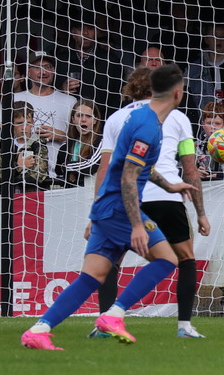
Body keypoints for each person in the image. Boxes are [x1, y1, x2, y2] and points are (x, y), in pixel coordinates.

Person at [20, 64, 197, 351]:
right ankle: (114, 315)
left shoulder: (138, 118)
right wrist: (137, 225)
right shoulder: (149, 126)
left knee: (92, 277)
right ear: (178, 93)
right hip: (119, 206)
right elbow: (128, 176)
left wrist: (169, 186)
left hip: (105, 205)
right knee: (168, 260)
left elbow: (137, 167)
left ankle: (38, 330)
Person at [88, 65, 210, 339]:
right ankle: (184, 327)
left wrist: (95, 211)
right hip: (166, 198)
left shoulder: (116, 118)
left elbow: (105, 169)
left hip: (128, 199)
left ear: (132, 88)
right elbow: (190, 170)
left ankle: (104, 325)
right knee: (186, 259)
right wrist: (201, 213)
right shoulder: (178, 118)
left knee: (110, 260)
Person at [0, 52, 76, 180]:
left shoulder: (69, 101)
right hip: (17, 175)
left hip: (56, 177)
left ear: (53, 70)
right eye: (37, 67)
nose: (43, 72)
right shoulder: (13, 99)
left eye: (47, 67)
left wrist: (61, 136)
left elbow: (83, 139)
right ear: (28, 72)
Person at [54, 9, 125, 120]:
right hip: (67, 122)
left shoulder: (110, 60)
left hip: (100, 123)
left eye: (90, 28)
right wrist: (61, 90)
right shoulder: (60, 61)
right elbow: (48, 94)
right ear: (73, 33)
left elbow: (116, 98)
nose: (85, 33)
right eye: (80, 28)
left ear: (96, 32)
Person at [0, 101, 50, 191]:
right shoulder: (6, 145)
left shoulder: (38, 145)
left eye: (27, 123)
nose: (24, 127)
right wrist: (19, 166)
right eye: (19, 123)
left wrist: (10, 172)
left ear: (33, 122)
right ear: (11, 124)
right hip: (7, 196)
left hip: (32, 196)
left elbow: (37, 176)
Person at [55, 100, 103, 187]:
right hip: (71, 197)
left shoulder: (101, 142)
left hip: (94, 195)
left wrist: (68, 167)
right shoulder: (65, 147)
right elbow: (59, 171)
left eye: (88, 116)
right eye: (79, 115)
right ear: (73, 119)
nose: (83, 120)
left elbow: (90, 166)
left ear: (95, 120)